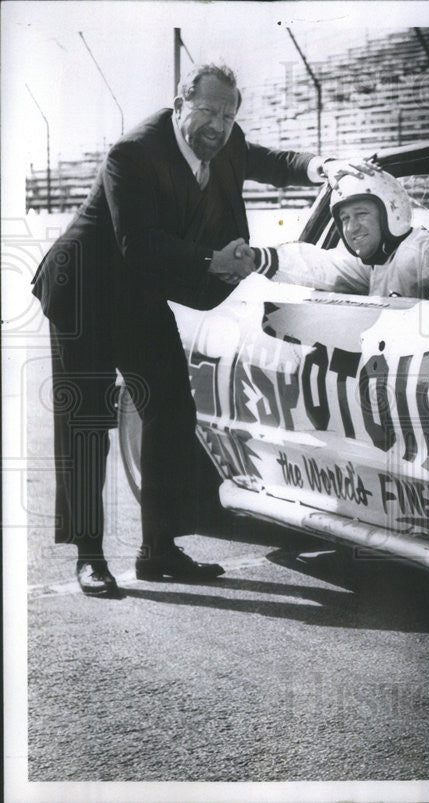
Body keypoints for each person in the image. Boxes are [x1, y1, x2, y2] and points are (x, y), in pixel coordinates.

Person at [32, 63, 332, 596]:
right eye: (208, 110)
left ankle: (159, 549)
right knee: (87, 423)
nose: (218, 124)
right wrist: (211, 261)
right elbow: (138, 244)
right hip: (85, 288)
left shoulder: (226, 141)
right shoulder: (133, 151)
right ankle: (89, 555)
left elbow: (265, 159)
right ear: (179, 103)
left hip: (140, 291)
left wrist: (317, 166)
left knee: (171, 410)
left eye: (228, 113)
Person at [244, 161, 429, 304]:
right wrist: (256, 258)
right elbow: (321, 266)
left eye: (361, 214)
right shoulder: (376, 261)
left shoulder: (420, 248)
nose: (351, 228)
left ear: (389, 213)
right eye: (344, 218)